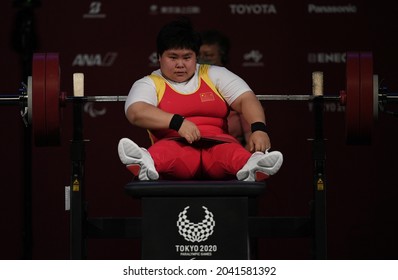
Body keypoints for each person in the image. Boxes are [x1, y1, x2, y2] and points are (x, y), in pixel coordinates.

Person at [118, 18, 283, 181]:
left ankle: (252, 166)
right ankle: (145, 162)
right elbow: (136, 111)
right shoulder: (149, 83)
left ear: (196, 57)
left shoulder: (215, 74)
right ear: (159, 57)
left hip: (218, 145)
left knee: (231, 152)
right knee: (167, 151)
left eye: (187, 57)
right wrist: (178, 122)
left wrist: (259, 128)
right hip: (177, 146)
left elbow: (246, 98)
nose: (180, 64)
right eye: (173, 57)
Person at [199, 30, 251, 148]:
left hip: (230, 150)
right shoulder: (184, 84)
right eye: (198, 56)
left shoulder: (235, 86)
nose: (202, 60)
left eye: (208, 56)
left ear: (223, 56)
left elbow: (251, 133)